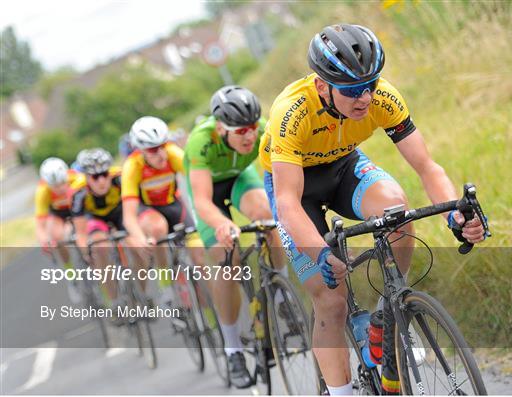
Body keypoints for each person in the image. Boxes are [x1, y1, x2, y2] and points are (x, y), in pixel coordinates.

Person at [259, 24, 487, 395]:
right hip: (294, 187)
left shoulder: (382, 98)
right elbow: (286, 203)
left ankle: (387, 314)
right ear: (322, 86)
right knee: (330, 301)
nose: (364, 97)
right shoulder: (291, 112)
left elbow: (427, 167)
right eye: (351, 90)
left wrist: (455, 215)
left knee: (397, 210)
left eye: (370, 85)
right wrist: (319, 253)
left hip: (343, 167)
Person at [184, 86, 287, 389]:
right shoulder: (200, 142)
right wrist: (221, 224)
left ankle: (281, 295)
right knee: (226, 259)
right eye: (241, 130)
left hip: (240, 180)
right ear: (220, 128)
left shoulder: (264, 129)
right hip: (209, 194)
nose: (249, 136)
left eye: (253, 128)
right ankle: (233, 349)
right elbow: (201, 201)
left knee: (268, 218)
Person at [121, 116, 204, 305]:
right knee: (159, 228)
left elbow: (199, 186)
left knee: (200, 260)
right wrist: (140, 237)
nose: (161, 154)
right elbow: (129, 216)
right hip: (148, 211)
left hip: (174, 206)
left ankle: (211, 323)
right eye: (152, 150)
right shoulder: (132, 167)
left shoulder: (173, 154)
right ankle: (165, 281)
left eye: (162, 145)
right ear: (141, 150)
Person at [70, 148, 125, 308]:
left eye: (104, 174)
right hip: (95, 219)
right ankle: (115, 301)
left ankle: (142, 293)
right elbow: (80, 233)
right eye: (95, 176)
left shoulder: (120, 179)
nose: (101, 181)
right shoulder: (78, 193)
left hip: (118, 213)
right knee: (100, 247)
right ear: (86, 177)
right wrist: (86, 252)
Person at [34, 157, 85, 302]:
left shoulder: (77, 178)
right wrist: (44, 241)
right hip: (58, 215)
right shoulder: (42, 191)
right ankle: (71, 277)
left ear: (66, 176)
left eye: (63, 183)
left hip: (77, 210)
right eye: (54, 186)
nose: (60, 188)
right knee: (56, 237)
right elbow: (40, 224)